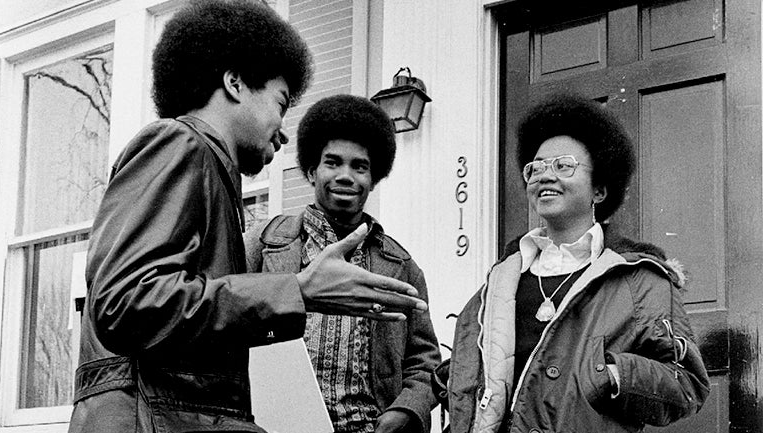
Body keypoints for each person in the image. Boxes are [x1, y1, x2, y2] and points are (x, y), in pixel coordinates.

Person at [69, 2, 427, 432]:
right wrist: (296, 291)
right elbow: (124, 301)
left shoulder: (205, 168)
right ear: (235, 83)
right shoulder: (178, 144)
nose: (282, 130)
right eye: (280, 103)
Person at [435, 93, 710, 432]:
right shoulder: (501, 278)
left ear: (599, 190)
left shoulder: (640, 280)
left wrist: (609, 375)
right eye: (535, 168)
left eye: (563, 166)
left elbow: (687, 383)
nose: (543, 176)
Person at [244, 94, 441, 433]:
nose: (346, 176)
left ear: (373, 178)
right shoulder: (263, 244)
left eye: (359, 166)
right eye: (333, 163)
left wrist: (406, 412)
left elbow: (424, 364)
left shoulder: (402, 266)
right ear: (311, 171)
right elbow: (222, 314)